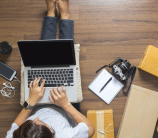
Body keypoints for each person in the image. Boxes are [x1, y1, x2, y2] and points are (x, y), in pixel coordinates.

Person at [6, 0, 95, 137]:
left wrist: (30, 103)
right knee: (66, 59)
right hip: (65, 108)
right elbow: (90, 129)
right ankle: (64, 15)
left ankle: (51, 14)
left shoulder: (17, 135)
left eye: (30, 122)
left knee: (42, 59)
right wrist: (65, 104)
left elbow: (14, 127)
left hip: (36, 105)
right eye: (40, 122)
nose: (35, 118)